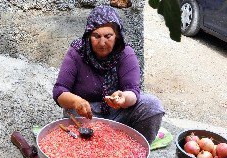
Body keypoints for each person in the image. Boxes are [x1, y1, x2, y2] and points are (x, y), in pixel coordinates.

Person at [52, 5, 166, 144]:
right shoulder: (77, 52)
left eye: (108, 36)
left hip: (118, 113)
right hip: (86, 115)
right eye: (96, 36)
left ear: (116, 36)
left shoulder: (125, 53)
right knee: (73, 113)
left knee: (152, 105)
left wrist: (123, 98)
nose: (102, 43)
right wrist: (77, 101)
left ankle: (133, 149)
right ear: (89, 34)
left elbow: (133, 91)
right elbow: (59, 91)